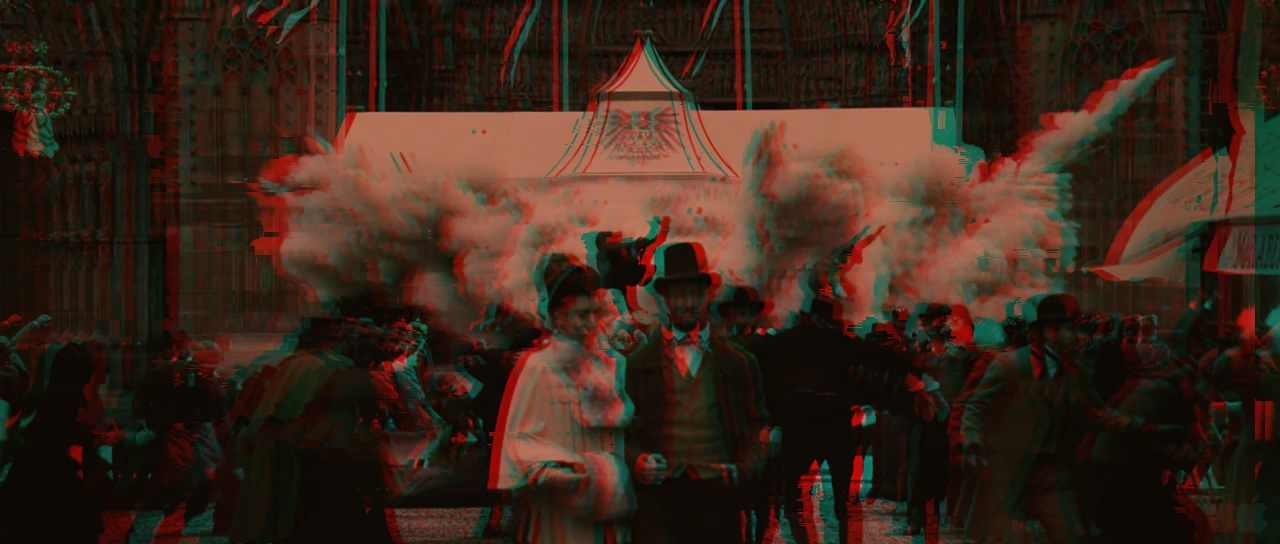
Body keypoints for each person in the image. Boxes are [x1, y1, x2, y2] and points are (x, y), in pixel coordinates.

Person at [960, 293, 1183, 544]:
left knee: (1070, 533)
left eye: (1067, 328)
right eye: (1058, 328)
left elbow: (1094, 413)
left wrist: (1145, 428)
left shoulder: (1068, 372)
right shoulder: (1009, 366)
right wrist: (970, 441)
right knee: (997, 537)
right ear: (1040, 332)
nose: (1066, 335)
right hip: (1006, 469)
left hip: (1047, 472)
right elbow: (976, 407)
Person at [625, 241, 770, 544]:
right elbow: (622, 432)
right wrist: (637, 462)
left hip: (718, 502)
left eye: (692, 293)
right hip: (660, 504)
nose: (685, 303)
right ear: (664, 299)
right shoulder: (638, 364)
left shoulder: (738, 363)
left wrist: (743, 470)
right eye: (677, 295)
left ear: (706, 295)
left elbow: (757, 427)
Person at [491, 254, 635, 544]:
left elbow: (623, 436)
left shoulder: (610, 365)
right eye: (580, 315)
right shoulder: (537, 368)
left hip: (607, 513)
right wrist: (572, 477)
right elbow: (521, 444)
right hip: (558, 516)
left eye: (594, 313)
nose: (590, 323)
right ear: (558, 317)